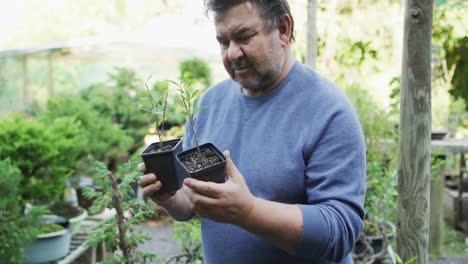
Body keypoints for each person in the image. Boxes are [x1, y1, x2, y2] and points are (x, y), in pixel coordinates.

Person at [138, 1, 366, 263]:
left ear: (283, 29)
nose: (233, 53)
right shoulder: (209, 105)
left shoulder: (328, 111)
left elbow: (340, 232)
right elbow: (190, 203)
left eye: (244, 37)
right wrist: (168, 197)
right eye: (224, 42)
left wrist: (247, 212)